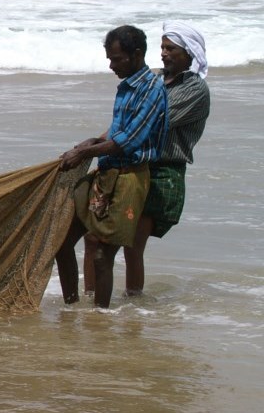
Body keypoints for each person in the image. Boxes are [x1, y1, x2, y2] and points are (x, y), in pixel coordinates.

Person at [81, 21, 211, 298]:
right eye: (162, 47)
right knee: (94, 239)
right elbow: (126, 125)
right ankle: (91, 300)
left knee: (131, 244)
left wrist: (96, 148)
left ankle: (133, 306)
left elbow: (143, 125)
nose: (163, 53)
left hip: (163, 172)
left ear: (189, 53)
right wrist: (98, 142)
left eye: (170, 48)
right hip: (132, 164)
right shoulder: (155, 81)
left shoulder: (194, 90)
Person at [54, 25, 169, 308]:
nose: (111, 65)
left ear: (137, 54)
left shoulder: (152, 89)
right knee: (61, 242)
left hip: (130, 179)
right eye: (109, 58)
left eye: (116, 59)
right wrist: (90, 142)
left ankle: (99, 320)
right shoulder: (127, 86)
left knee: (103, 256)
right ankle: (70, 308)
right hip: (106, 174)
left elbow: (128, 141)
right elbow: (115, 132)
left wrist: (84, 154)